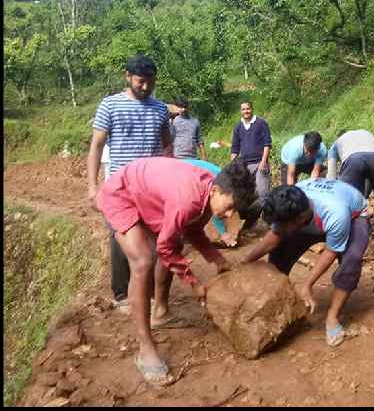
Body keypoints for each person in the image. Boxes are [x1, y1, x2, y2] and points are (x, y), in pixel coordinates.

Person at [96, 157, 255, 387]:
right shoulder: (188, 198)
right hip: (122, 193)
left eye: (235, 210)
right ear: (216, 191)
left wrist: (217, 259)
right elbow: (164, 246)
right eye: (230, 207)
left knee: (174, 243)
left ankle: (160, 313)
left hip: (146, 194)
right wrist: (193, 283)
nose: (230, 215)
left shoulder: (209, 192)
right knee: (143, 261)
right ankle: (145, 348)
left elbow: (192, 230)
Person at [86, 54, 174, 314]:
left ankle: (147, 293)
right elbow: (97, 146)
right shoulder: (110, 105)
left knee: (152, 239)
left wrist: (167, 170)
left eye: (150, 82)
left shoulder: (160, 108)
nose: (145, 87)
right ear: (128, 76)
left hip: (150, 188)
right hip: (119, 188)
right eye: (140, 82)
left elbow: (167, 143)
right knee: (119, 238)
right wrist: (93, 186)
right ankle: (122, 294)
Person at [240, 180, 369, 347]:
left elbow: (330, 252)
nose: (279, 228)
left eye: (283, 225)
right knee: (280, 251)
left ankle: (332, 317)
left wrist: (307, 284)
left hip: (353, 216)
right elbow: (275, 235)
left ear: (299, 219)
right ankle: (280, 304)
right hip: (315, 217)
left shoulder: (336, 213)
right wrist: (247, 259)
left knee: (352, 259)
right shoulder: (289, 201)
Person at [326, 129, 374, 255]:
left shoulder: (335, 145)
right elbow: (371, 162)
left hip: (354, 161)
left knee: (351, 204)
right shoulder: (365, 133)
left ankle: (355, 243)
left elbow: (331, 180)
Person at [183, 158, 240, 247]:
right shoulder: (220, 183)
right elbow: (214, 208)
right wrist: (223, 233)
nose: (229, 214)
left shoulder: (224, 180)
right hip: (178, 176)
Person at [230, 100, 272, 219]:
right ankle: (249, 220)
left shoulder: (261, 123)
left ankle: (264, 220)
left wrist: (264, 160)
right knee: (244, 195)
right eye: (243, 109)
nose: (246, 111)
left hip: (260, 163)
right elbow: (234, 149)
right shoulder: (238, 127)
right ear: (240, 111)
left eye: (247, 109)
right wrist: (233, 166)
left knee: (263, 193)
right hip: (244, 166)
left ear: (252, 109)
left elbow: (267, 143)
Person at [169, 96, 206, 160]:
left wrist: (204, 155)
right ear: (176, 108)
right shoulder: (173, 121)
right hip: (177, 157)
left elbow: (200, 140)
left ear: (188, 107)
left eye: (185, 107)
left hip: (192, 158)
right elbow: (169, 140)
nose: (183, 109)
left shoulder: (195, 122)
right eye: (181, 107)